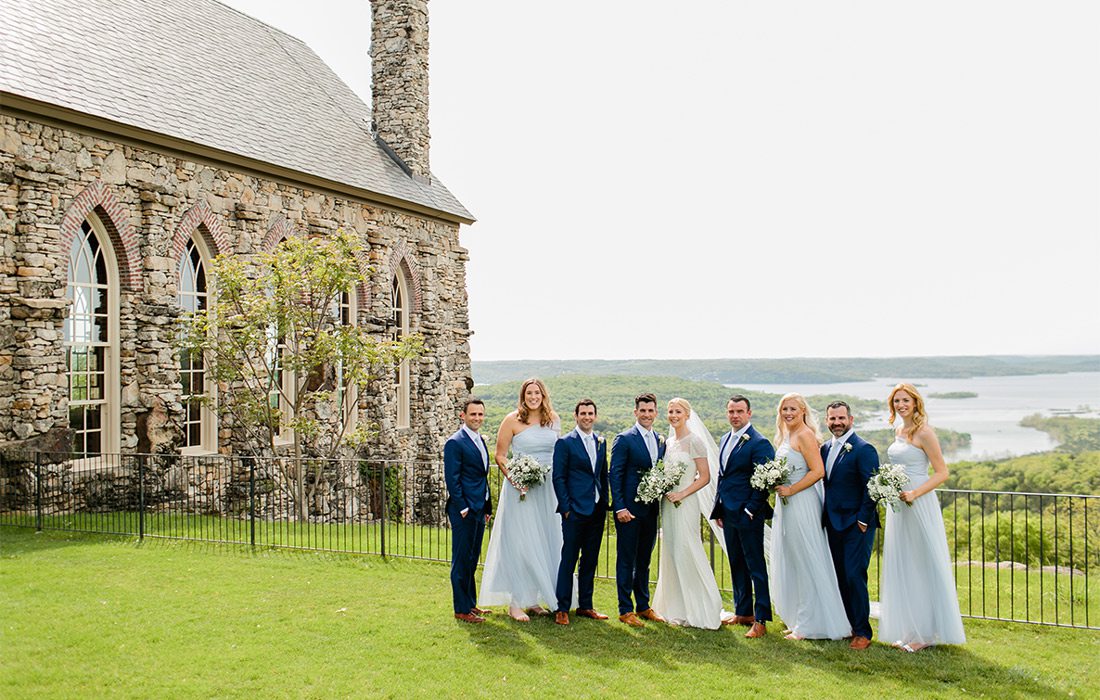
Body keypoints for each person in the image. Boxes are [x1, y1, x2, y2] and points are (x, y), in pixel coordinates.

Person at [879, 383, 966, 651]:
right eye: (897, 401)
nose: (901, 405)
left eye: (906, 400)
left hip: (919, 502)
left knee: (920, 563)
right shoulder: (898, 430)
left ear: (916, 403)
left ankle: (923, 635)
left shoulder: (924, 432)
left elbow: (942, 472)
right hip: (899, 505)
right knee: (903, 562)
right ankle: (909, 629)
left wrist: (915, 493)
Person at [479, 378, 565, 621]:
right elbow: (500, 455)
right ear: (523, 396)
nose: (533, 396)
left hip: (547, 489)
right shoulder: (512, 420)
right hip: (521, 490)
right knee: (521, 542)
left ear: (543, 395)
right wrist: (516, 478)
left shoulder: (554, 420)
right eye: (529, 393)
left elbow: (558, 453)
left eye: (537, 392)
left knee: (545, 539)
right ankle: (515, 602)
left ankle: (533, 599)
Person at [769, 394, 851, 640]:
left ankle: (808, 624)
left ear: (803, 410)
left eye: (793, 408)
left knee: (806, 559)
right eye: (784, 409)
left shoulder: (804, 435)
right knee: (793, 559)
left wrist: (792, 489)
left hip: (802, 502)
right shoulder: (786, 435)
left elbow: (818, 471)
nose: (788, 413)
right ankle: (799, 618)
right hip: (786, 503)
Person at [650, 398, 724, 629]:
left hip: (685, 503)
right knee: (671, 552)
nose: (673, 415)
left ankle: (701, 606)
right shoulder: (669, 442)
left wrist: (682, 494)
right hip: (668, 504)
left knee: (687, 549)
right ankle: (675, 608)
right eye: (671, 411)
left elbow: (705, 476)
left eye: (678, 411)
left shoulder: (695, 441)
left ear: (687, 414)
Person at [710, 395, 775, 638]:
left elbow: (765, 481)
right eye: (731, 411)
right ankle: (743, 611)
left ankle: (761, 618)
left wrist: (750, 509)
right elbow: (722, 476)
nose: (734, 415)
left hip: (748, 514)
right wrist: (719, 508)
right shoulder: (726, 438)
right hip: (728, 512)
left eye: (739, 411)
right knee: (736, 562)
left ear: (749, 413)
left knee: (755, 565)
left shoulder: (759, 442)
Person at [821, 400, 880, 650]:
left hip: (857, 524)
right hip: (832, 523)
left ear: (851, 420)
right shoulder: (824, 448)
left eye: (841, 418)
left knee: (855, 576)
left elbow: (873, 487)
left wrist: (863, 520)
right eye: (832, 419)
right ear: (827, 421)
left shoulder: (863, 449)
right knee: (839, 576)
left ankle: (862, 632)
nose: (837, 423)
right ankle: (846, 624)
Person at [551, 399, 610, 625]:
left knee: (590, 560)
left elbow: (602, 474)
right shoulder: (565, 443)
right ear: (575, 416)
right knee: (569, 559)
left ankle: (586, 605)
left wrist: (604, 502)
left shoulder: (600, 441)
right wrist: (566, 508)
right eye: (583, 413)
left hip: (596, 510)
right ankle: (562, 607)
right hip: (574, 511)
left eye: (590, 413)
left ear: (595, 416)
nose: (587, 417)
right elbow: (559, 477)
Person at [609, 393, 666, 628]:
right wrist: (620, 506)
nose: (646, 414)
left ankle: (643, 606)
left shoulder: (660, 440)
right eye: (642, 410)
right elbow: (615, 474)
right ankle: (625, 609)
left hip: (651, 511)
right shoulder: (624, 439)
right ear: (636, 412)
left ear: (655, 413)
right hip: (628, 511)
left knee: (644, 560)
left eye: (651, 410)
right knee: (626, 559)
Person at [443, 397, 493, 624]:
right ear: (463, 415)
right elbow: (452, 480)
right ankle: (461, 609)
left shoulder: (480, 440)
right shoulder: (455, 442)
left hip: (479, 508)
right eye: (473, 414)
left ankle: (471, 604)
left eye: (480, 414)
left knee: (472, 558)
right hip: (464, 510)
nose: (477, 418)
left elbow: (482, 476)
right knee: (461, 560)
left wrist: (487, 505)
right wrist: (462, 507)